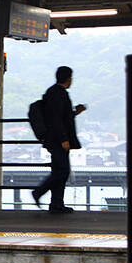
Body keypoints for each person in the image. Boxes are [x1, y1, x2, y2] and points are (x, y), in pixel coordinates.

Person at [32, 66, 86, 214]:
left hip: (54, 139)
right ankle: (39, 192)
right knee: (63, 171)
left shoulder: (53, 92)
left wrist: (75, 112)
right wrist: (63, 138)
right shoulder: (58, 94)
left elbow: (58, 116)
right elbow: (57, 119)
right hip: (58, 140)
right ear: (68, 78)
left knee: (59, 170)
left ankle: (56, 203)